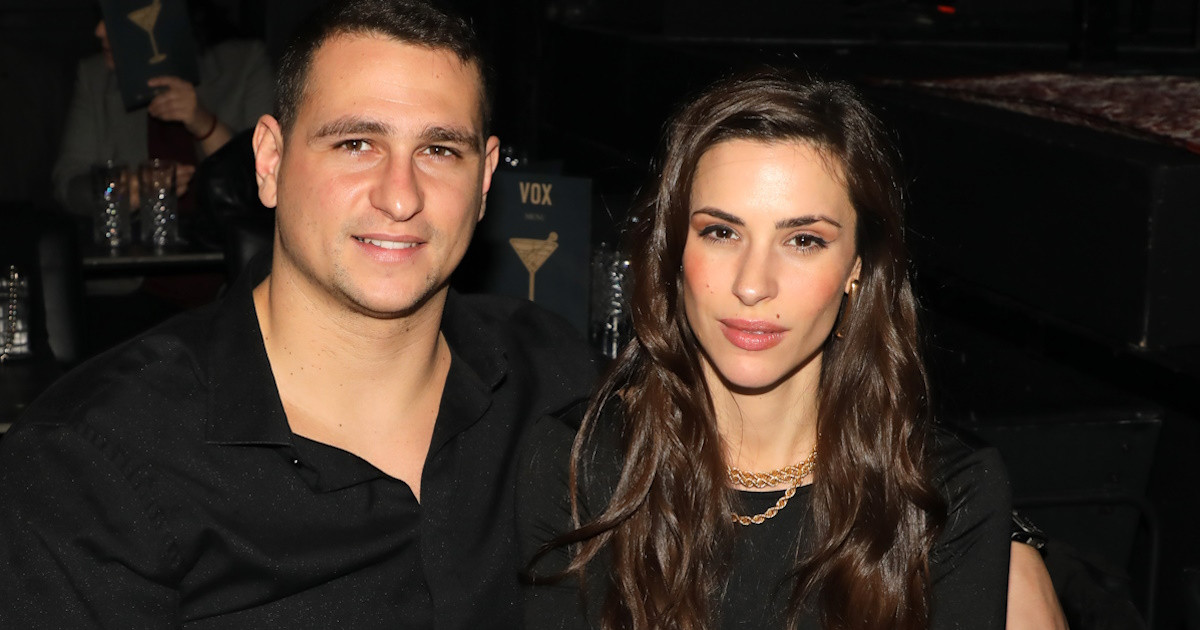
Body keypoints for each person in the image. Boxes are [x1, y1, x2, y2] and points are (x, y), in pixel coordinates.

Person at [0, 0, 595, 627]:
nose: (401, 197)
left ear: (486, 179)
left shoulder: (556, 380)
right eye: (356, 144)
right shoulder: (88, 466)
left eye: (440, 150)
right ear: (270, 162)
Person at [518, 73, 1016, 629]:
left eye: (803, 240)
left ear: (857, 268)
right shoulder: (577, 463)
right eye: (721, 232)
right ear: (675, 250)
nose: (753, 285)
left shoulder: (947, 494)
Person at [52, 2, 273, 215]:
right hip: (139, 239)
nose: (99, 31)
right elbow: (67, 186)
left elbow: (267, 183)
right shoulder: (95, 78)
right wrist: (123, 188)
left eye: (111, 15)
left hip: (228, 237)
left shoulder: (245, 65)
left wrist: (204, 124)